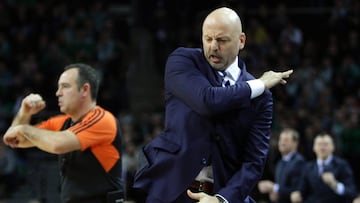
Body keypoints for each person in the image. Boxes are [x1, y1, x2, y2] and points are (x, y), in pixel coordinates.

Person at [133, 7, 293, 203]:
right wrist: (260, 83)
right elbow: (207, 101)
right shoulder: (182, 61)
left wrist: (221, 199)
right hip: (171, 189)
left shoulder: (262, 97)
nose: (213, 47)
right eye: (207, 39)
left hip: (222, 192)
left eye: (222, 40)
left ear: (241, 41)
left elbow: (253, 162)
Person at [2, 63, 124, 203]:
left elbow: (57, 144)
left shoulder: (103, 120)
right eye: (58, 87)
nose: (58, 93)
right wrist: (25, 112)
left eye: (65, 86)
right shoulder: (62, 122)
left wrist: (24, 128)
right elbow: (16, 139)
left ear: (84, 90)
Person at [290, 133, 357, 203]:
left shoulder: (342, 165)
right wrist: (297, 194)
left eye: (326, 144)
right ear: (314, 148)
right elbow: (301, 189)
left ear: (333, 147)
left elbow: (352, 192)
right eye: (319, 144)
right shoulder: (308, 167)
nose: (322, 148)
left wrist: (335, 185)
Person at [258, 128, 305, 203]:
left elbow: (297, 191)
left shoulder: (299, 162)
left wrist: (273, 187)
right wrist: (273, 193)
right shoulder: (279, 162)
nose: (282, 142)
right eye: (281, 139)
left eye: (286, 140)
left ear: (295, 143)